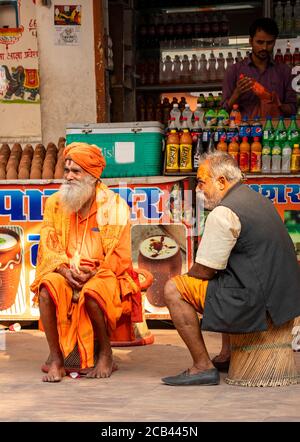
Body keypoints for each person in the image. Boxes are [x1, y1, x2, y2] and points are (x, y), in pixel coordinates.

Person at [162, 151, 300, 386]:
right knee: (225, 277)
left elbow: (205, 270)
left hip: (256, 300)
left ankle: (202, 366)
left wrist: (185, 279)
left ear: (222, 181)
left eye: (202, 182)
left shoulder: (224, 212)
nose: (199, 189)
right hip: (284, 296)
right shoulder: (259, 200)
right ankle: (225, 355)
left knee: (174, 289)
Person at [30, 142, 141, 382]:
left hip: (103, 273)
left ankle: (106, 354)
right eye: (66, 169)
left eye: (76, 171)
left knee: (92, 294)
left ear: (92, 175)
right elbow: (48, 244)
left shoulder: (114, 206)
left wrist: (92, 273)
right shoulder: (55, 203)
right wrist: (62, 268)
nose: (68, 176)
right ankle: (56, 358)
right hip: (64, 269)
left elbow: (120, 257)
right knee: (47, 289)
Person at [221, 17, 297, 119]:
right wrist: (237, 93)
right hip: (244, 132)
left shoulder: (284, 71)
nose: (264, 48)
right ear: (251, 41)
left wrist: (279, 105)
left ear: (275, 42)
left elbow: (293, 108)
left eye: (269, 43)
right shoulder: (234, 71)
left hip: (275, 132)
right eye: (260, 42)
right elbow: (223, 112)